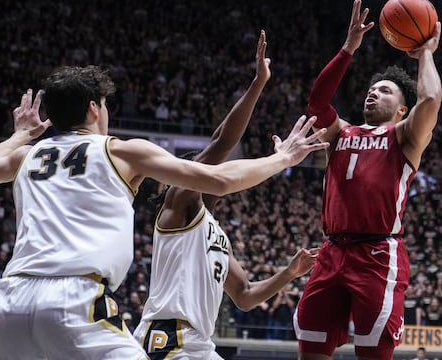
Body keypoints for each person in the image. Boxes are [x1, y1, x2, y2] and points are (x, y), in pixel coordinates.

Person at [0, 64, 328, 359]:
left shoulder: (27, 155)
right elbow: (219, 177)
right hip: (76, 299)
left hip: (11, 298)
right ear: (95, 108)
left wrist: (21, 134)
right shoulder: (120, 151)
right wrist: (283, 158)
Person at [133, 30, 319, 359]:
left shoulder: (215, 233)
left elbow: (245, 296)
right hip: (169, 338)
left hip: (199, 344)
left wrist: (288, 273)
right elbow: (221, 144)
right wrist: (259, 82)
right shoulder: (178, 206)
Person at [294, 0, 442, 360]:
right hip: (331, 252)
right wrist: (347, 49)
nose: (373, 92)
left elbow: (431, 99)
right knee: (310, 350)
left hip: (377, 255)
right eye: (372, 89)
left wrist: (425, 54)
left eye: (386, 90)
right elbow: (316, 104)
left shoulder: (405, 137)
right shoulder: (340, 132)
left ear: (402, 110)